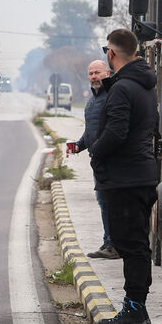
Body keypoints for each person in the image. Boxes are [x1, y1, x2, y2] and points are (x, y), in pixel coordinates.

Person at [89, 28, 159, 324]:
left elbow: (116, 132)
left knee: (130, 246)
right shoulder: (145, 85)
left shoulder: (121, 88)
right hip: (142, 175)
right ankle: (137, 305)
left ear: (111, 54)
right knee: (138, 244)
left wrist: (96, 152)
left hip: (124, 178)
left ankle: (134, 310)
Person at [66, 59, 115, 259]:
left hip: (110, 159)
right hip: (98, 160)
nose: (94, 77)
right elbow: (91, 131)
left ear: (108, 73)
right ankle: (109, 243)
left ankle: (113, 244)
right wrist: (79, 145)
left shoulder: (112, 96)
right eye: (91, 73)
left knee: (110, 203)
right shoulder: (93, 99)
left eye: (98, 72)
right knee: (104, 202)